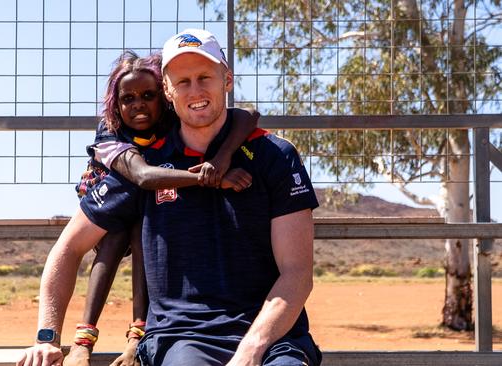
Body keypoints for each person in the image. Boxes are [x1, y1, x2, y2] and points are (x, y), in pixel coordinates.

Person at [79, 29, 322, 365]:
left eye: (205, 76)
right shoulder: (133, 154)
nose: (195, 90)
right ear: (168, 90)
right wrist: (68, 339)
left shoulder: (274, 154)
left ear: (227, 79)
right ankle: (138, 331)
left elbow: (297, 274)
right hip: (183, 337)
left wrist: (251, 350)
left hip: (273, 338)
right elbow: (70, 248)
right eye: (183, 81)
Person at [18, 49, 256, 366]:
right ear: (115, 105)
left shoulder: (174, 121)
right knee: (117, 232)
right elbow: (142, 176)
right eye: (127, 99)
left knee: (145, 226)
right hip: (115, 190)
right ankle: (83, 341)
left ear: (165, 96)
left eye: (148, 95)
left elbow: (247, 115)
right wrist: (212, 176)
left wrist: (221, 158)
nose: (138, 104)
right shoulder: (110, 133)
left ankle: (137, 336)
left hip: (154, 199)